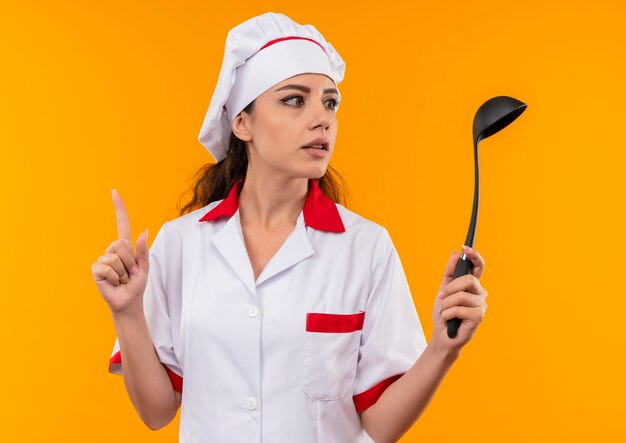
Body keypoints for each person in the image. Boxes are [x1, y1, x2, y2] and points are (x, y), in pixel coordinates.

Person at [91, 11, 488, 443]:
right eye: (295, 100)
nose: (323, 119)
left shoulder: (366, 247)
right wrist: (127, 312)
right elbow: (156, 411)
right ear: (242, 123)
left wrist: (442, 349)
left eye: (330, 102)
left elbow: (380, 424)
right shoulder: (180, 244)